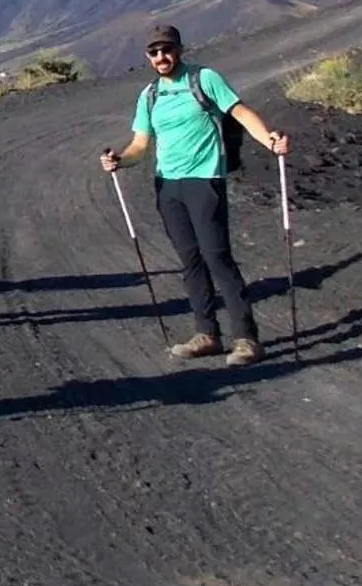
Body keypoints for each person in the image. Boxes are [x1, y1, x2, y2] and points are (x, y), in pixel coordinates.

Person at [99, 24, 289, 367]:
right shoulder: (150, 95)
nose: (161, 57)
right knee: (190, 261)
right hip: (168, 185)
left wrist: (270, 140)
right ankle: (207, 335)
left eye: (167, 50)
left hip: (205, 180)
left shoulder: (204, 79)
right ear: (147, 57)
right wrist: (119, 161)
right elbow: (141, 145)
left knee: (217, 256)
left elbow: (240, 112)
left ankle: (246, 339)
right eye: (154, 52)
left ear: (179, 49)